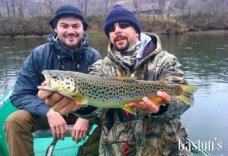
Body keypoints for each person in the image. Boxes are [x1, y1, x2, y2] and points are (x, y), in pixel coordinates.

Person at [39, 5, 195, 155]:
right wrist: (83, 107)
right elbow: (96, 112)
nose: (117, 30)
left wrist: (162, 108)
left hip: (165, 150)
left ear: (137, 30)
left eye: (124, 25)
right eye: (111, 29)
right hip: (117, 151)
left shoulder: (166, 61)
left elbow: (185, 101)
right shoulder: (100, 68)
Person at [4, 5, 102, 156]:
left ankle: (87, 153)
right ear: (55, 28)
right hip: (47, 111)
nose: (70, 31)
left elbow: (101, 96)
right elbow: (20, 94)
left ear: (83, 29)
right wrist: (49, 112)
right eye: (64, 26)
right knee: (14, 121)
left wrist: (85, 116)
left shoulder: (94, 57)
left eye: (76, 26)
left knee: (114, 118)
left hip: (83, 111)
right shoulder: (38, 55)